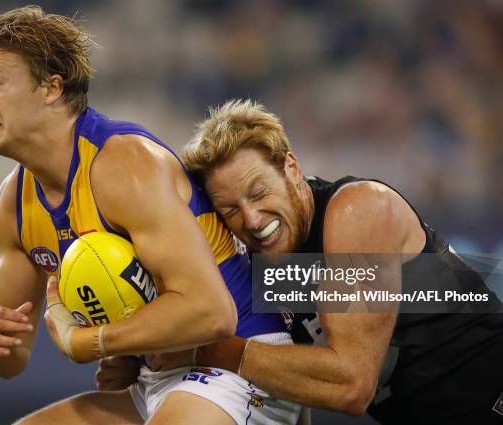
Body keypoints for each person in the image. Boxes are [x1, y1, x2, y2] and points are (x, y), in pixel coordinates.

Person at [0, 7, 301, 425]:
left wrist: (90, 342)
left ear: (51, 87)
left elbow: (212, 313)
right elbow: (11, 362)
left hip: (242, 362)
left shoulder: (125, 164)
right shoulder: (12, 204)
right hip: (155, 380)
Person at [100, 99, 503, 424]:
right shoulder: (263, 265)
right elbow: (290, 379)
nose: (253, 219)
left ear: (291, 167)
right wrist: (136, 364)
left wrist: (203, 353)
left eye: (259, 193)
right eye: (230, 210)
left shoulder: (356, 211)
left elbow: (351, 385)